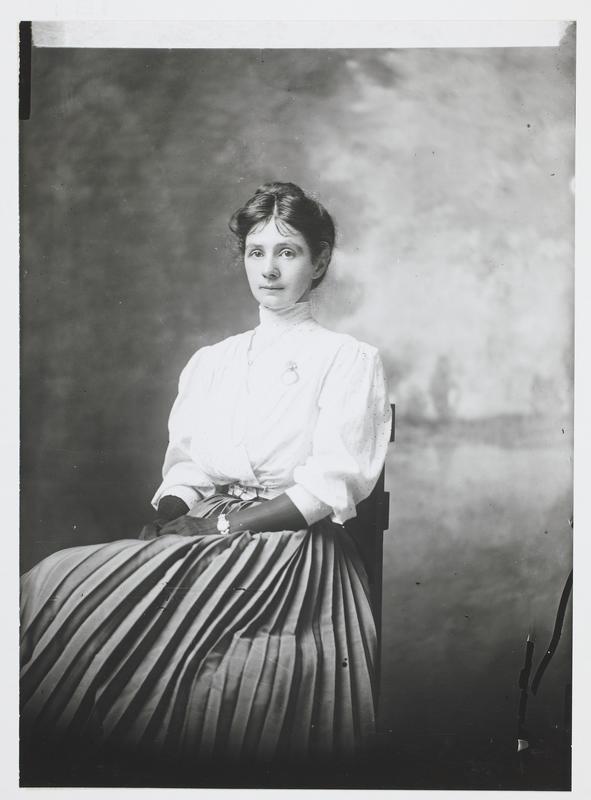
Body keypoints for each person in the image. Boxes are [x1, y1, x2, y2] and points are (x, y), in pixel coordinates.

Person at [20, 182, 392, 780]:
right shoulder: (212, 362)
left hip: (290, 553)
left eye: (288, 252)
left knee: (222, 676)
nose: (269, 270)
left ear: (319, 261)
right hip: (205, 533)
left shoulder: (348, 359)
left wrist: (218, 527)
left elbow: (329, 486)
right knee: (54, 580)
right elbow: (190, 466)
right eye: (256, 252)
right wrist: (171, 512)